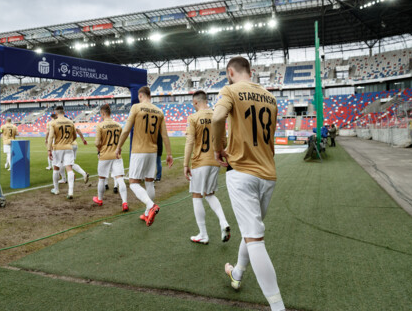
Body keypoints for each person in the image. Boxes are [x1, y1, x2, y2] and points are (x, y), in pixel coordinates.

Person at [212, 57, 285, 311]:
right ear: (251, 72)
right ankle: (238, 274)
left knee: (255, 239)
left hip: (242, 171)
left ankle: (278, 308)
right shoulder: (270, 97)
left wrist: (218, 148)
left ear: (230, 72)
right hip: (268, 173)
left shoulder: (230, 89)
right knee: (250, 229)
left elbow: (217, 117)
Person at [116, 86, 173, 227]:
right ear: (150, 96)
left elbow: (126, 130)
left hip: (139, 150)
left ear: (141, 96)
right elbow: (164, 135)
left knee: (134, 183)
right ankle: (147, 213)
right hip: (153, 151)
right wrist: (169, 153)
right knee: (149, 182)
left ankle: (151, 205)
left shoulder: (136, 107)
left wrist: (118, 147)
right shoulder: (159, 111)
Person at [184, 90, 230, 245]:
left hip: (199, 162)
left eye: (193, 103)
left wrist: (185, 164)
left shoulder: (193, 117)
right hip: (214, 161)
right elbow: (223, 140)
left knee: (197, 196)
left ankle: (203, 235)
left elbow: (190, 142)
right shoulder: (217, 115)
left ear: (196, 102)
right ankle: (223, 222)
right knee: (209, 194)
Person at [94, 104, 128, 211]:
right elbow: (121, 140)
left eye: (101, 113)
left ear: (103, 113)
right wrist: (119, 147)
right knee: (120, 178)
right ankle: (125, 202)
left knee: (102, 178)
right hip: (117, 155)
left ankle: (100, 199)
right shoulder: (118, 125)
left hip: (104, 155)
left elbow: (97, 143)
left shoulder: (100, 126)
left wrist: (99, 150)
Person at [47, 106, 77, 199]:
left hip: (57, 148)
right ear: (63, 113)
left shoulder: (53, 122)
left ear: (56, 113)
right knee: (69, 169)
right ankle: (71, 192)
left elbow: (51, 137)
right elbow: (75, 136)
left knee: (56, 168)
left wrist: (49, 150)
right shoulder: (71, 122)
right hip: (68, 147)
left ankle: (56, 189)